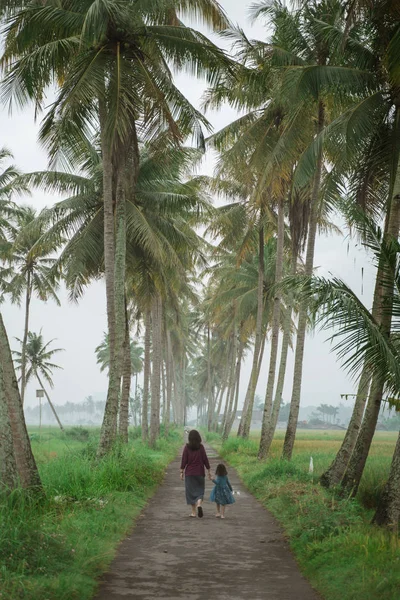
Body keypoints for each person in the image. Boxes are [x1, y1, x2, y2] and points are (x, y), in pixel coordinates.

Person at [180, 430, 211, 518]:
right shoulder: (201, 447)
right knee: (200, 491)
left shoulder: (186, 448)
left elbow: (184, 460)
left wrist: (181, 471)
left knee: (190, 493)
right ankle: (199, 505)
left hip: (189, 473)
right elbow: (205, 459)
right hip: (200, 472)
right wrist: (209, 470)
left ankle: (193, 512)